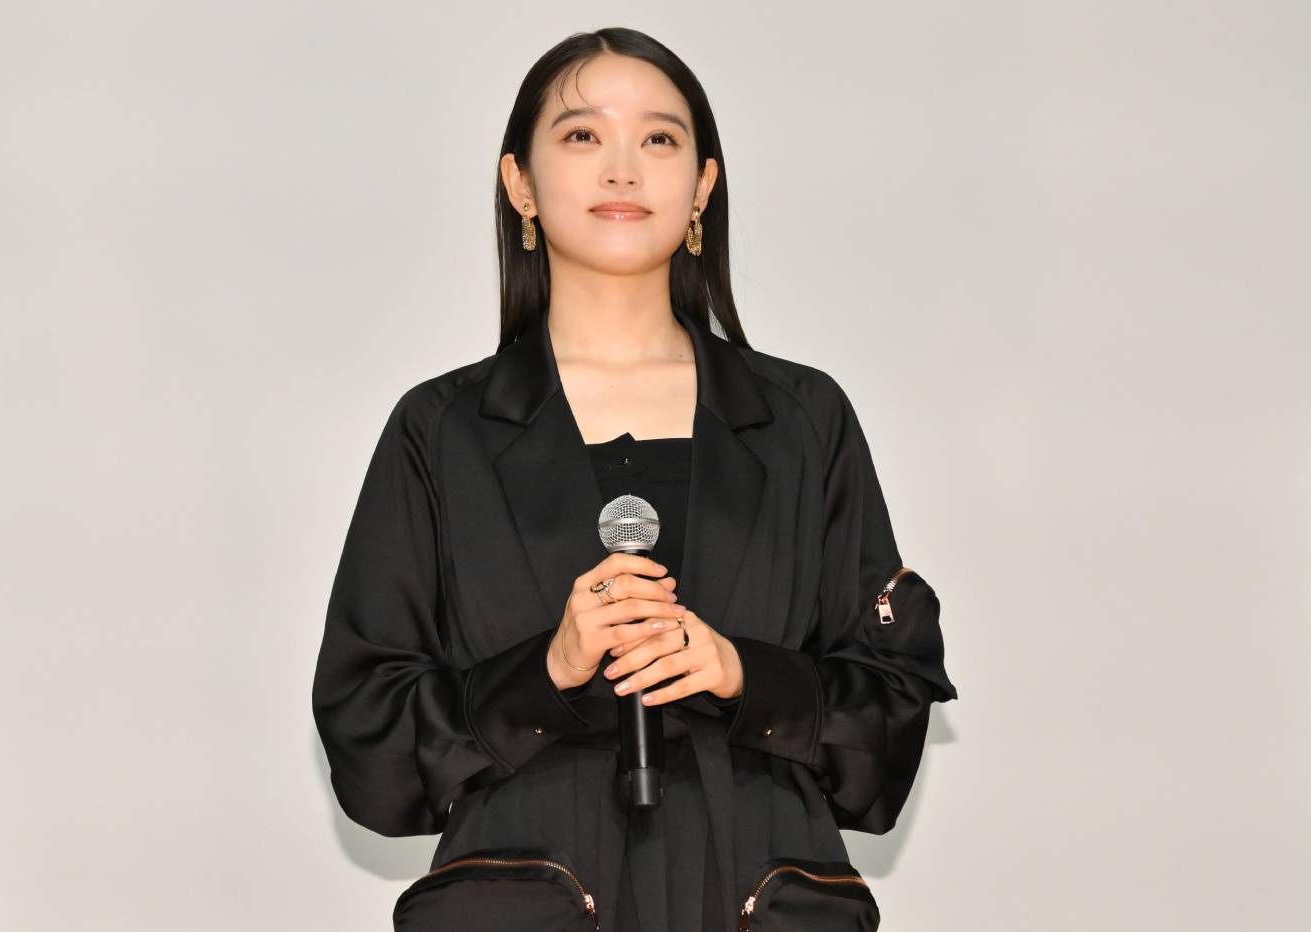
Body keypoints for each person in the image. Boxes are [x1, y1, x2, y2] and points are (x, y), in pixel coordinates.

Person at [311, 27, 957, 932]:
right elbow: (368, 743)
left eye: (658, 138)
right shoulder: (442, 430)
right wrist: (546, 673)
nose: (623, 169)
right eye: (582, 135)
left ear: (702, 185)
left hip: (759, 894)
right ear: (520, 184)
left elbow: (885, 722)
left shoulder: (802, 420)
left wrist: (744, 675)